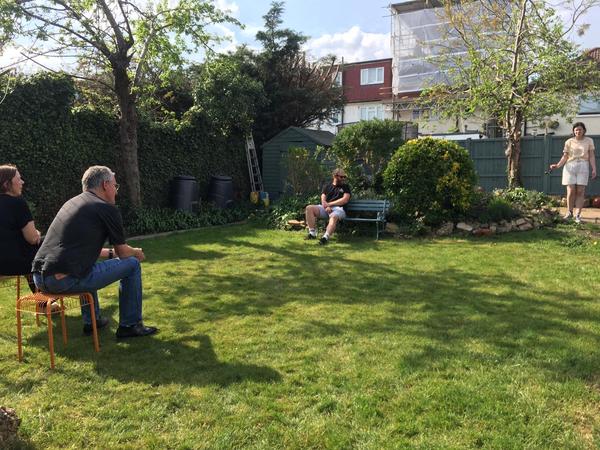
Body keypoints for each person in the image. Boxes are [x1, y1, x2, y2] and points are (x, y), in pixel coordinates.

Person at [32, 166, 158, 339]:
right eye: (115, 186)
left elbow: (81, 248)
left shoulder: (73, 203)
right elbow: (123, 253)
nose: (116, 191)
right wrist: (135, 252)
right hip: (62, 281)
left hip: (39, 279)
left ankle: (93, 321)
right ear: (105, 185)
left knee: (86, 266)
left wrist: (111, 254)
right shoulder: (106, 209)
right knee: (132, 265)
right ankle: (130, 325)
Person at [0, 164, 42, 291]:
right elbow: (32, 238)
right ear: (7, 184)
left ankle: (43, 301)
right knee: (47, 246)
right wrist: (37, 234)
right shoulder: (18, 203)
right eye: (19, 179)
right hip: (14, 263)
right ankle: (45, 298)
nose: (22, 182)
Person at [549, 122, 597, 224]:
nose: (578, 131)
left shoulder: (589, 141)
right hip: (570, 166)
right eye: (576, 130)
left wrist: (594, 169)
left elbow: (592, 156)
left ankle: (578, 215)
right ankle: (569, 212)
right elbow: (565, 157)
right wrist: (557, 165)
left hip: (583, 166)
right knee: (570, 190)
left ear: (584, 130)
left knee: (580, 191)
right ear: (573, 131)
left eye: (580, 129)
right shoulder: (568, 142)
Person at [304, 168, 352, 245]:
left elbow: (345, 200)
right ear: (335, 176)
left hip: (339, 209)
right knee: (309, 208)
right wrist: (326, 206)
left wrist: (329, 204)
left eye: (344, 177)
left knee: (333, 216)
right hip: (326, 208)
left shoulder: (345, 187)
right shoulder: (327, 186)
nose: (343, 179)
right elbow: (323, 198)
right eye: (341, 177)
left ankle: (325, 238)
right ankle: (312, 233)